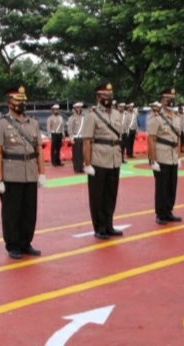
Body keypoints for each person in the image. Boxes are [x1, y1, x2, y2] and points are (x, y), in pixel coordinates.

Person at [0, 85, 46, 259]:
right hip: (11, 173)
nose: (22, 103)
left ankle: (26, 242)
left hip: (30, 170)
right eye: (17, 100)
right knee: (11, 212)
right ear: (9, 103)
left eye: (23, 100)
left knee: (29, 211)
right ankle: (13, 244)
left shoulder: (33, 123)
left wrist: (42, 172)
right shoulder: (1, 123)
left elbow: (39, 148)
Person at [83, 82, 124, 240]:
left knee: (110, 194)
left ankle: (108, 224)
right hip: (98, 160)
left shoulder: (116, 114)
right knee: (97, 196)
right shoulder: (91, 116)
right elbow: (87, 141)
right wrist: (87, 164)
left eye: (110, 95)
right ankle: (99, 227)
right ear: (98, 97)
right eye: (105, 95)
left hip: (114, 158)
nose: (108, 98)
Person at [147, 88, 183, 225]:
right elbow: (151, 140)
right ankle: (160, 213)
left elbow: (178, 138)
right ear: (162, 101)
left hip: (173, 155)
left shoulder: (177, 118)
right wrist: (153, 160)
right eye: (168, 99)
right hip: (161, 156)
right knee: (162, 187)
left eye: (172, 98)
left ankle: (168, 211)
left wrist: (179, 157)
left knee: (171, 186)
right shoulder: (156, 118)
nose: (171, 101)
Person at [68, 103, 86, 173]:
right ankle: (76, 168)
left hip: (82, 138)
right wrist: (71, 138)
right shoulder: (71, 118)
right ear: (74, 109)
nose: (79, 109)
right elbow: (70, 129)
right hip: (76, 138)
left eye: (80, 108)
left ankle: (81, 167)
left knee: (81, 154)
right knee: (76, 154)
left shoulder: (83, 117)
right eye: (77, 108)